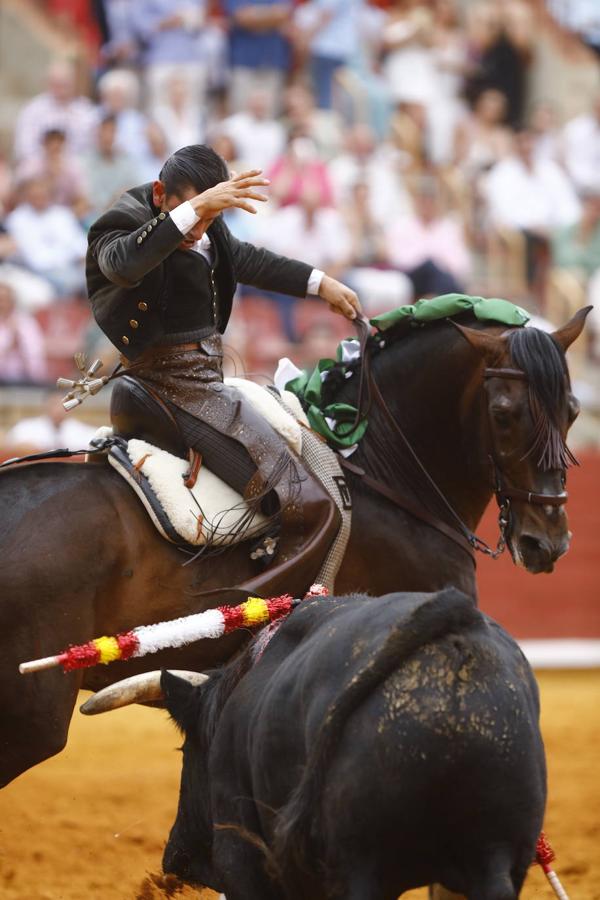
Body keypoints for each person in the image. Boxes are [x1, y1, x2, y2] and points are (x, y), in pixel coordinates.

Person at [86, 144, 360, 594]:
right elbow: (122, 265)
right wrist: (196, 209)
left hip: (207, 385)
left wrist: (320, 283)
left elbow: (247, 260)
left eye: (211, 217)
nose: (201, 229)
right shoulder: (122, 219)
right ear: (160, 193)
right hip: (165, 389)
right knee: (301, 502)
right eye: (195, 213)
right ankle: (274, 613)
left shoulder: (207, 225)